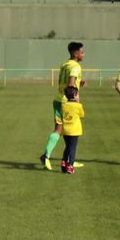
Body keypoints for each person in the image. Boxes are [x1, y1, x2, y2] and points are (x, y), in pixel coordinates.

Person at [40, 41, 85, 170]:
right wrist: (74, 99)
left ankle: (68, 159)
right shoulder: (76, 66)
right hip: (67, 102)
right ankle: (47, 155)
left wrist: (79, 82)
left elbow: (66, 81)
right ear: (75, 53)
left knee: (62, 129)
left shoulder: (65, 63)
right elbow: (70, 84)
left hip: (58, 99)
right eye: (82, 52)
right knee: (68, 130)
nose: (83, 54)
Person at [58, 85, 84, 174]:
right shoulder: (78, 106)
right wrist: (78, 103)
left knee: (68, 147)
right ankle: (70, 166)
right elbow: (82, 115)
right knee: (72, 148)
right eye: (78, 94)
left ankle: (64, 162)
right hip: (74, 131)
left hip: (65, 130)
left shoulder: (64, 105)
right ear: (75, 95)